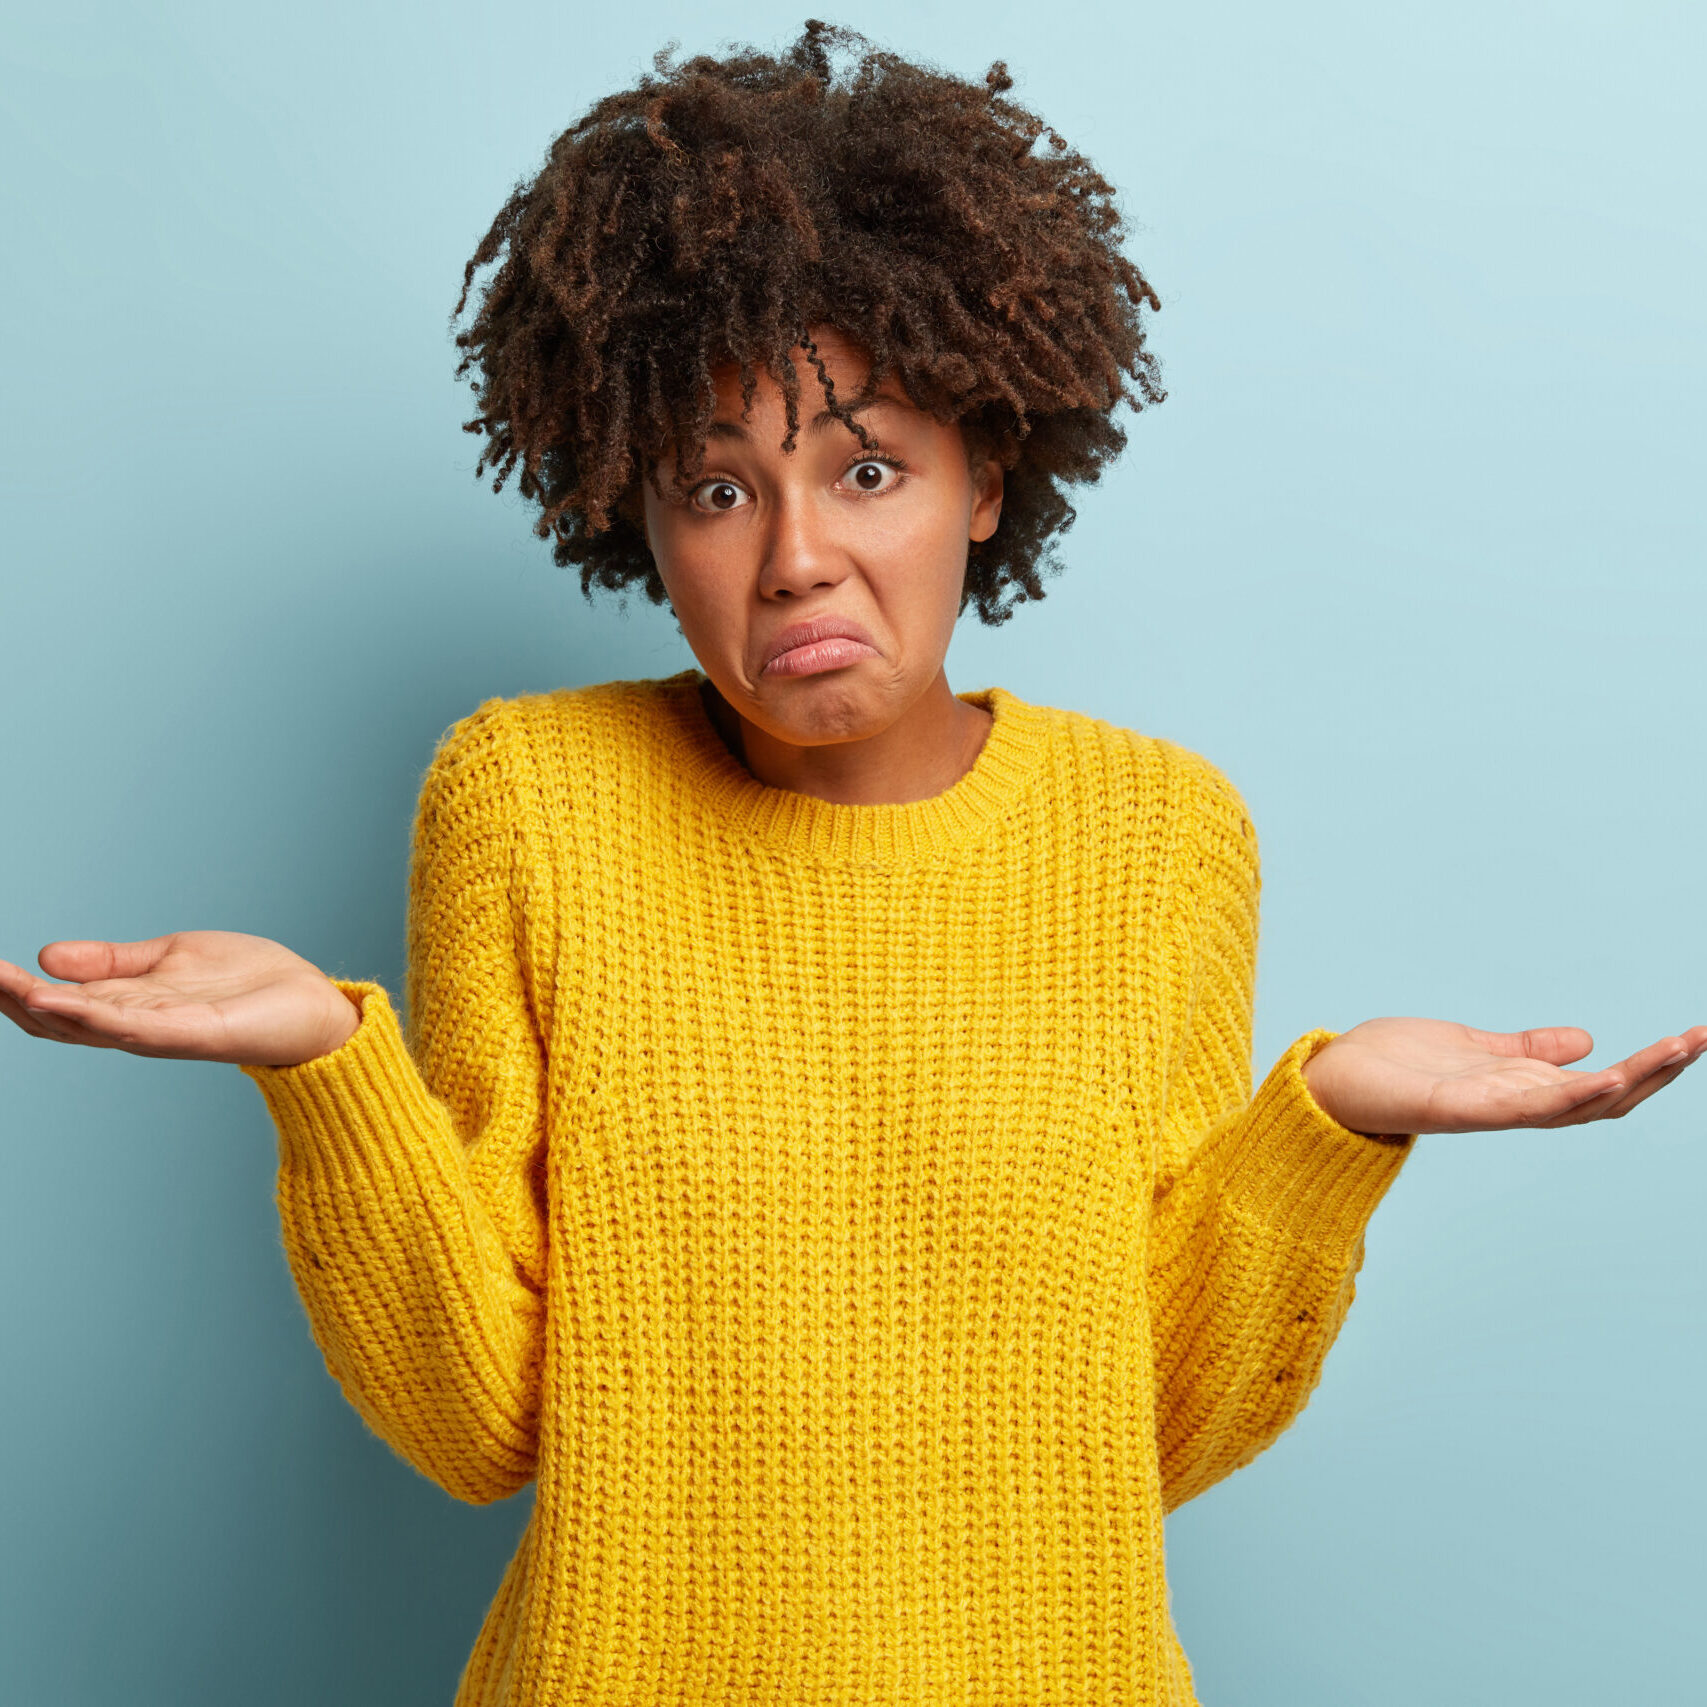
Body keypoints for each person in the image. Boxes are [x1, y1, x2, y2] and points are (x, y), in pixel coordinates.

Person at [1, 21, 1699, 1707]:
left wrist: (1325, 1133)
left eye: (866, 469)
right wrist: (331, 1077)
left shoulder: (1161, 835)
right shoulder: (528, 797)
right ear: (638, 519)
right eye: (715, 489)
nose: (798, 558)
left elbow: (1147, 1439)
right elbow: (481, 1427)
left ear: (986, 479)